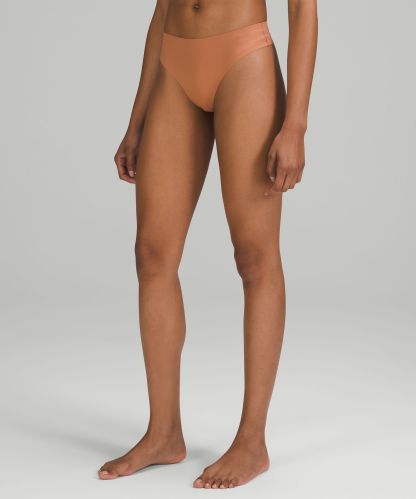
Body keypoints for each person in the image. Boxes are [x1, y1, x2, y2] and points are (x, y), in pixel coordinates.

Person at [98, 0, 318, 489]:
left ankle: (251, 441)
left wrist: (296, 123)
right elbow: (162, 8)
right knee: (152, 255)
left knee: (254, 257)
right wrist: (136, 120)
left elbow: (303, 9)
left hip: (244, 59)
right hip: (174, 62)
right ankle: (163, 432)